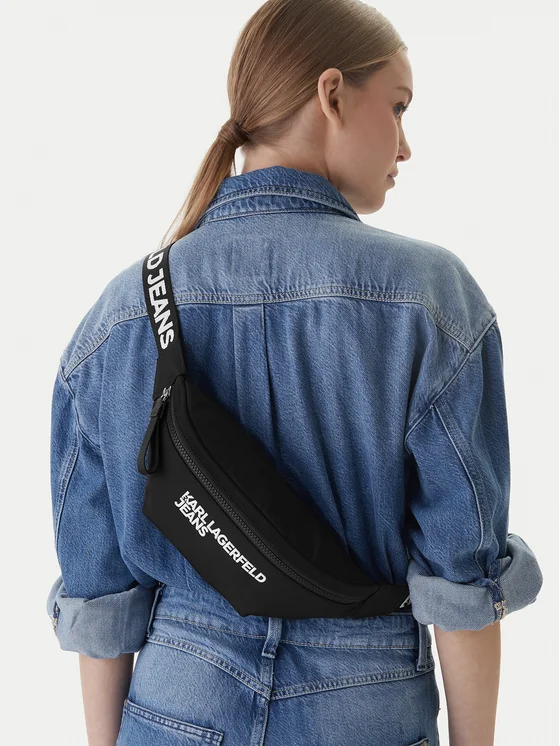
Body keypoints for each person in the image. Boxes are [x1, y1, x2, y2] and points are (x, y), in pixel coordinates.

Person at [45, 1, 544, 745]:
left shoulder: (121, 313)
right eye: (398, 107)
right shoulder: (430, 299)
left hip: (177, 698)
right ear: (331, 94)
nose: (406, 146)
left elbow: (101, 597)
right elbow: (461, 587)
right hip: (364, 706)